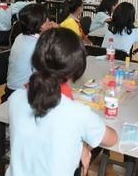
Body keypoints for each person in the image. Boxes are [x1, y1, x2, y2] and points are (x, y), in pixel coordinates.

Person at [7, 28, 118, 176]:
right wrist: (82, 146)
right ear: (76, 68)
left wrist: (79, 147)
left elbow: (40, 137)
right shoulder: (77, 113)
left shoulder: (15, 98)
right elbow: (112, 139)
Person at [4, 3, 57, 101]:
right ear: (41, 25)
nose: (49, 21)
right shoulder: (39, 45)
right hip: (24, 94)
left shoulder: (20, 37)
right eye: (47, 19)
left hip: (10, 91)